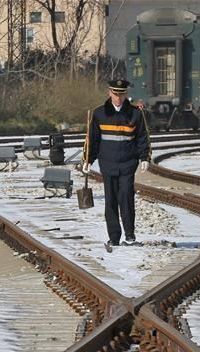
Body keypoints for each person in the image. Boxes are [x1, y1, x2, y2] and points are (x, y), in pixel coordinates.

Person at [82, 78, 151, 247]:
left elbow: (143, 136)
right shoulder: (99, 114)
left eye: (121, 94)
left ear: (126, 94)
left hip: (128, 163)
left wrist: (145, 157)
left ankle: (129, 234)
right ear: (109, 93)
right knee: (110, 200)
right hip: (108, 163)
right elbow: (93, 139)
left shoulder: (135, 113)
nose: (118, 98)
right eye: (115, 94)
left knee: (126, 197)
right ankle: (114, 237)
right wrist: (88, 160)